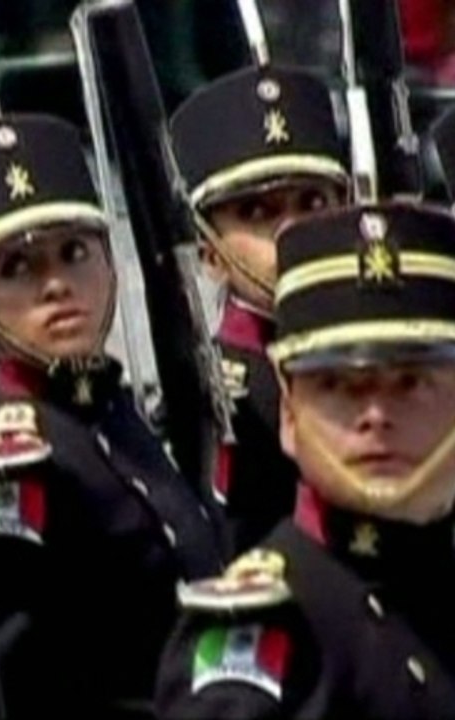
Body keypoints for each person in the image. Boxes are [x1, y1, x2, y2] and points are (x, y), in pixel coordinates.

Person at [0, 113, 223, 719]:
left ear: (110, 263)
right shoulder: (13, 463)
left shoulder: (114, 416)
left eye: (74, 252)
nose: (56, 284)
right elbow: (12, 676)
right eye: (16, 268)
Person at [156, 201, 455, 718]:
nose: (376, 415)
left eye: (410, 381)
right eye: (338, 385)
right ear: (289, 411)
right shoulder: (269, 637)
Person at [169, 63, 350, 553]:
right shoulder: (227, 402)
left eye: (312, 201)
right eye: (257, 212)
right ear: (210, 252)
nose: (292, 231)